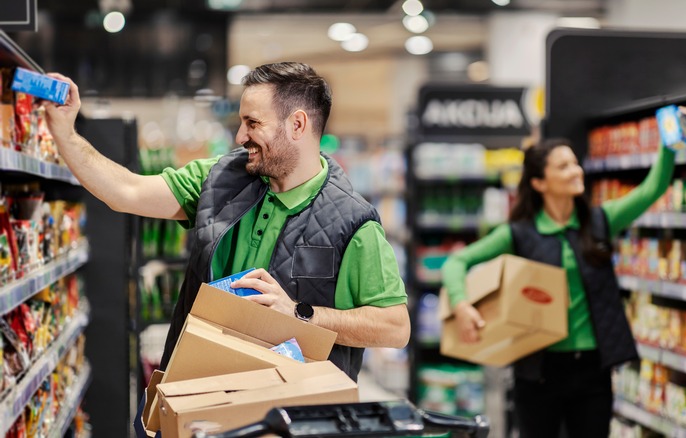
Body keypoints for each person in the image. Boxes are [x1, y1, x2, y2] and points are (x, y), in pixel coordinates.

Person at [42, 62, 410, 431]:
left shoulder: (352, 221)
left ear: (297, 125)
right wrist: (65, 132)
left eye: (253, 123)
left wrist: (301, 314)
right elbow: (127, 192)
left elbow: (394, 327)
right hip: (199, 402)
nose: (239, 136)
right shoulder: (221, 179)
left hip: (287, 421)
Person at [441, 137, 676, 437]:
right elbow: (457, 262)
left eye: (575, 163)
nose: (576, 171)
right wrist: (462, 306)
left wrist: (669, 141)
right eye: (564, 166)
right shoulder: (520, 233)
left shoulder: (599, 221)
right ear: (539, 182)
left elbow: (651, 189)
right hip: (539, 370)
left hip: (593, 370)